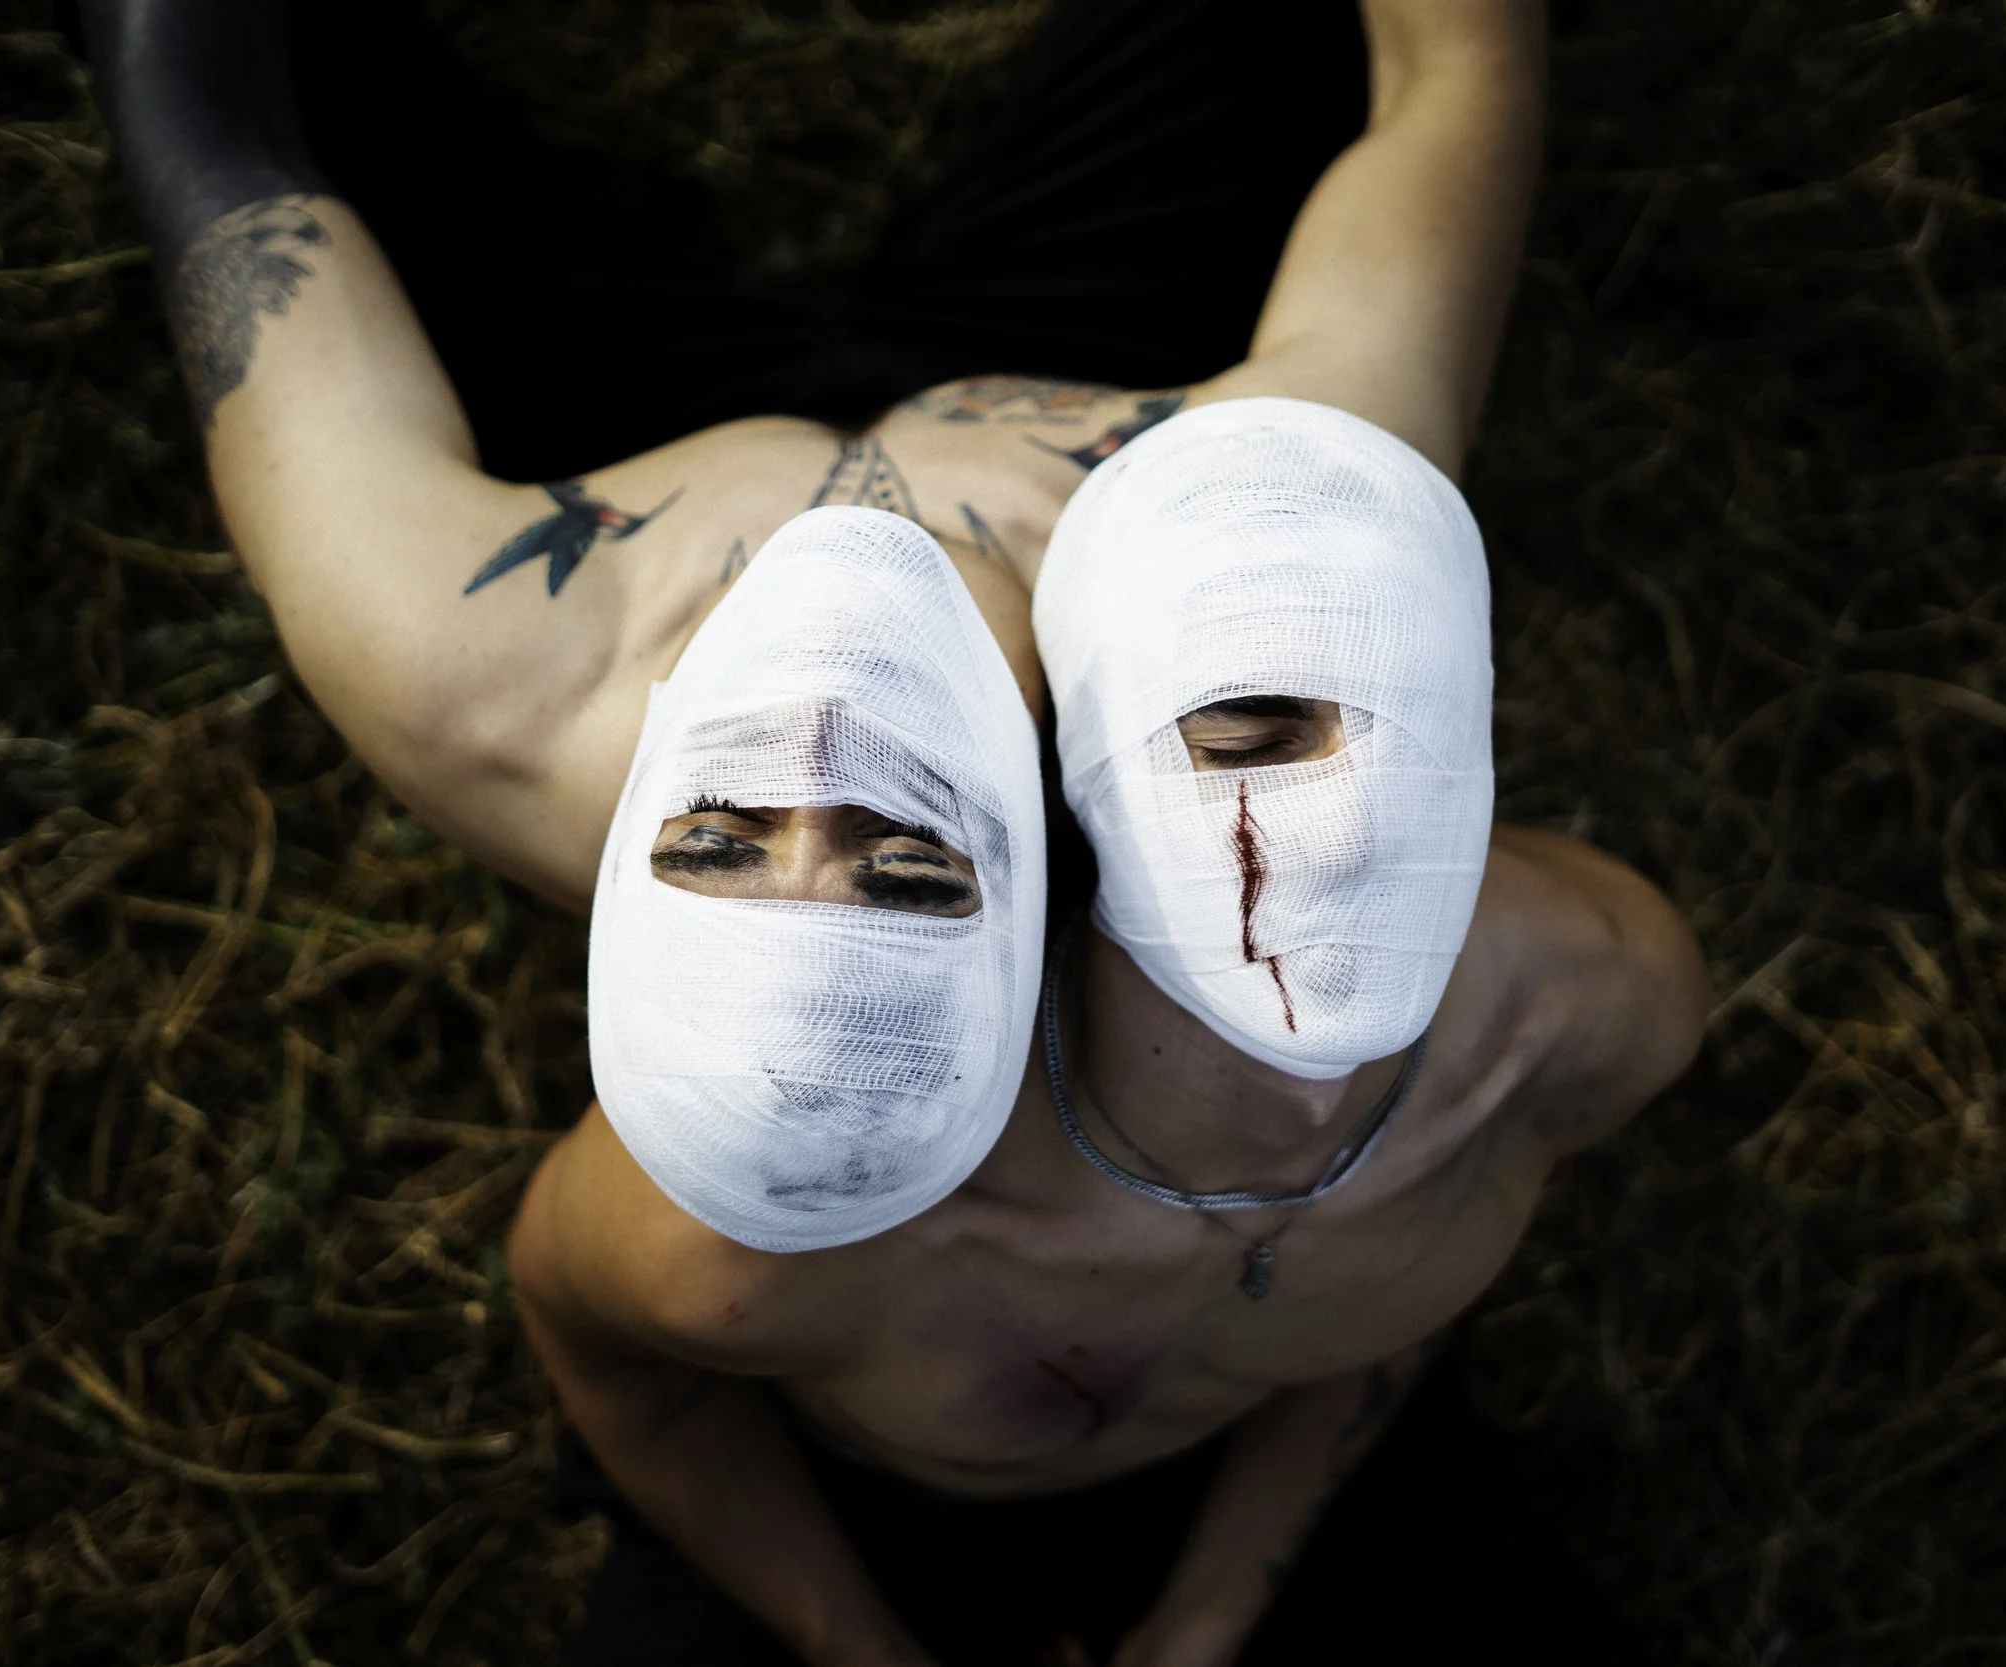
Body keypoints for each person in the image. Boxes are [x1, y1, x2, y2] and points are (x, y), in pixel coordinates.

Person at [83, 0, 1705, 1661]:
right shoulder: (1271, 564)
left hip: (627, 430)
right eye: (906, 866)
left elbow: (220, 156)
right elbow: (1450, 77)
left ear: (640, 870)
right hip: (1083, 371)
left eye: (717, 837)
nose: (821, 762)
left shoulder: (486, 667)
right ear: (1021, 898)